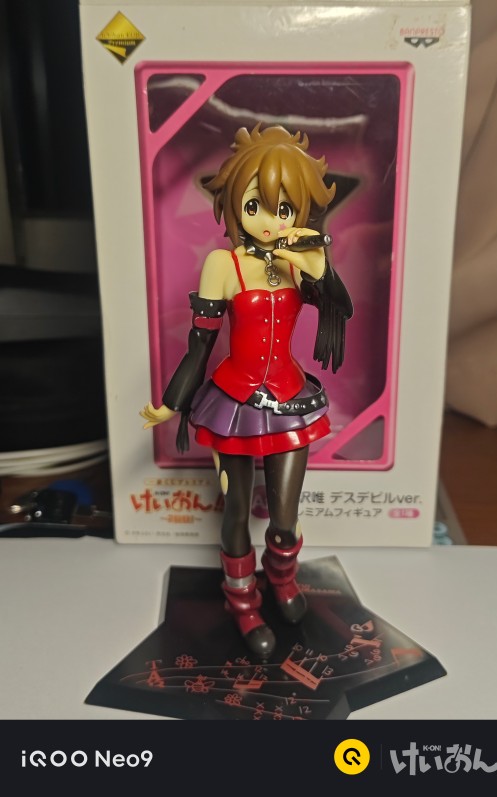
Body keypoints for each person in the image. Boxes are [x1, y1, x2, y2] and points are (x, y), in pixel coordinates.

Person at [141, 123, 352, 659]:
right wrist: (171, 402)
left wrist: (314, 259)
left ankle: (282, 579)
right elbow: (201, 344)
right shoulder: (224, 264)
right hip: (233, 402)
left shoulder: (297, 262)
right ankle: (243, 603)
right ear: (236, 204)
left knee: (285, 514)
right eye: (255, 205)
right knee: (235, 510)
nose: (269, 219)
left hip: (289, 399)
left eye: (284, 208)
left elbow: (339, 305)